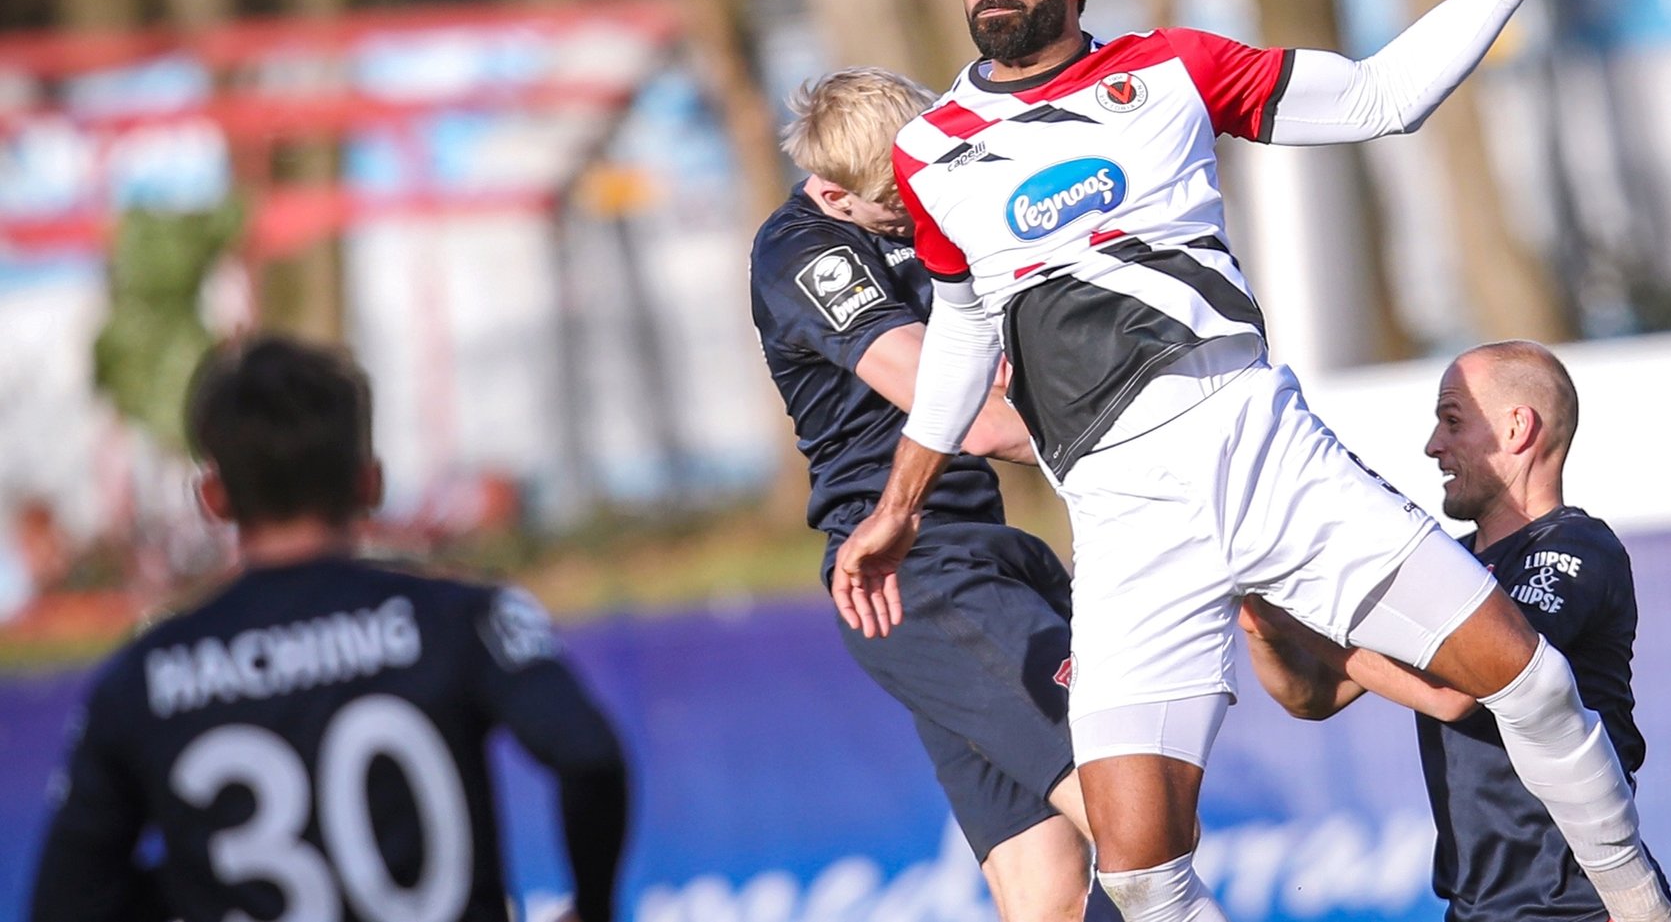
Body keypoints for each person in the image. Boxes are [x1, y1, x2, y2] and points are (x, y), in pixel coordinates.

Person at [834, 0, 1671, 922]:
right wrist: (896, 507)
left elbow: (1383, 95)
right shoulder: (930, 153)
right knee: (1140, 876)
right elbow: (960, 329)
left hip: (1249, 441)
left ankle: (1645, 910)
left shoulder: (1172, 71)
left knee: (1531, 682)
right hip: (1120, 510)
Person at [29, 336, 628, 922]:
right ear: (370, 482)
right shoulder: (462, 619)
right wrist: (593, 908)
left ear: (213, 498)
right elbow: (590, 756)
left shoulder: (144, 679)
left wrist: (203, 878)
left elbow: (67, 902)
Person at [749, 67, 1106, 922]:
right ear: (835, 194)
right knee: (1138, 816)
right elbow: (971, 417)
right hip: (921, 577)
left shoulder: (939, 190)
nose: (920, 210)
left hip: (987, 557)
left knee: (1049, 893)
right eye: (895, 205)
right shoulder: (805, 253)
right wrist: (1138, 453)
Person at [1239, 341, 1671, 922]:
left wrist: (1303, 618)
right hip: (1475, 911)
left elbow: (1457, 693)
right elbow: (1312, 695)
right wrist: (1261, 618)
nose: (1432, 445)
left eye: (1452, 420)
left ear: (1518, 428)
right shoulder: (1454, 572)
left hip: (1576, 908)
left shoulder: (1575, 546)